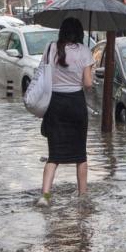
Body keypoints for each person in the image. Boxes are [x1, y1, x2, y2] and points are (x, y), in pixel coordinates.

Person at [37, 18, 94, 206]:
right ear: (79, 33)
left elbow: (43, 75)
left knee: (54, 155)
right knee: (80, 155)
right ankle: (83, 197)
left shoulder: (50, 48)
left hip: (55, 104)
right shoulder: (84, 51)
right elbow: (87, 83)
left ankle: (45, 196)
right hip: (76, 104)